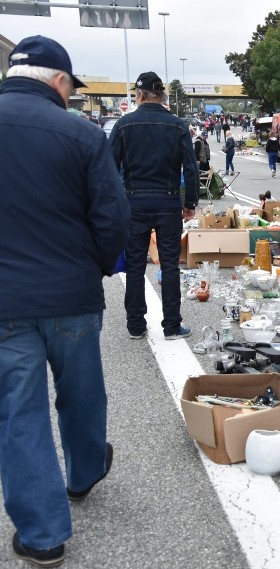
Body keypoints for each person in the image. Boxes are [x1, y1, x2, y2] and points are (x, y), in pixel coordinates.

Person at [0, 35, 129, 567]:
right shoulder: (81, 134)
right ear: (58, 80)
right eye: (70, 87)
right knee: (81, 391)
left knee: (19, 412)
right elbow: (112, 217)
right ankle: (82, 474)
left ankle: (43, 534)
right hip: (72, 294)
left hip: (6, 302)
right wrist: (98, 264)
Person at [111, 71, 198, 341]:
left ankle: (136, 325)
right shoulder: (177, 125)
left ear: (138, 95)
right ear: (161, 96)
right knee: (170, 265)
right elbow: (191, 168)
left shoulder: (124, 125)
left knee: (135, 265)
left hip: (133, 202)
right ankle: (172, 326)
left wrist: (113, 202)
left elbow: (108, 167)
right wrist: (190, 202)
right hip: (169, 201)